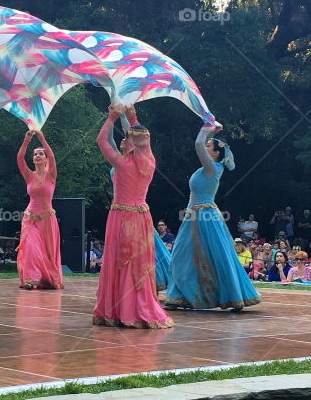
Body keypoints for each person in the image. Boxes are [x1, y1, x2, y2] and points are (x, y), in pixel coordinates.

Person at [165, 125, 261, 311]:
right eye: (207, 145)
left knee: (216, 255)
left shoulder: (213, 168)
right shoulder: (204, 169)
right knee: (182, 255)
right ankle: (179, 296)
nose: (205, 147)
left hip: (206, 216)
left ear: (216, 153)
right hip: (193, 215)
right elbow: (193, 195)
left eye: (209, 146)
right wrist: (187, 213)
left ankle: (232, 296)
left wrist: (206, 129)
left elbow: (198, 143)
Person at [91, 106, 171, 328]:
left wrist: (112, 117)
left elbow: (101, 141)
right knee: (137, 263)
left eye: (126, 139)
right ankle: (134, 307)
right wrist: (131, 116)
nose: (123, 141)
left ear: (132, 144)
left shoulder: (122, 163)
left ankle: (121, 310)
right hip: (142, 217)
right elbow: (137, 132)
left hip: (121, 215)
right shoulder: (150, 162)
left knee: (120, 261)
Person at [16, 128, 63, 290]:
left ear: (45, 159)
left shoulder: (51, 175)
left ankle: (44, 278)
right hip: (30, 218)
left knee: (46, 251)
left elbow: (52, 156)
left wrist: (42, 139)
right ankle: (31, 279)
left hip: (48, 219)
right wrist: (26, 140)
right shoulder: (29, 175)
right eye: (35, 154)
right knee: (30, 246)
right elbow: (20, 158)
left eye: (40, 154)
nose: (37, 156)